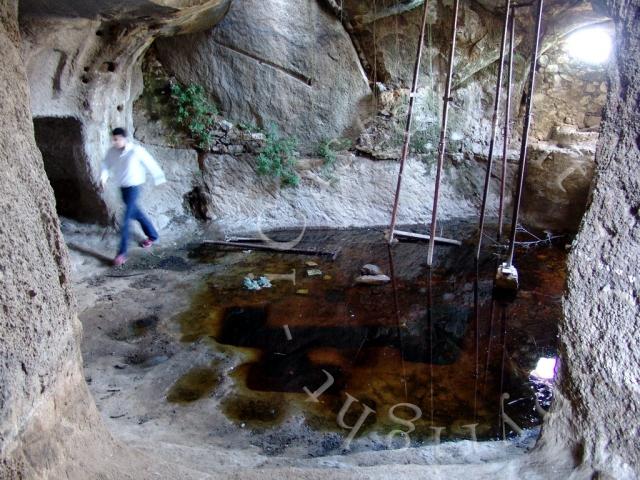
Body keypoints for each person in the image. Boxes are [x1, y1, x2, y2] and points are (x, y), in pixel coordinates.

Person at [100, 128, 166, 266]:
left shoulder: (135, 151)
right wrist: (103, 178)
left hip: (134, 188)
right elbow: (105, 164)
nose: (115, 142)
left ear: (124, 138)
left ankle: (121, 253)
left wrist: (159, 178)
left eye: (117, 139)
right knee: (137, 213)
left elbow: (150, 163)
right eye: (114, 139)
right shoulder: (112, 152)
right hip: (123, 188)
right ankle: (153, 235)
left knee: (125, 219)